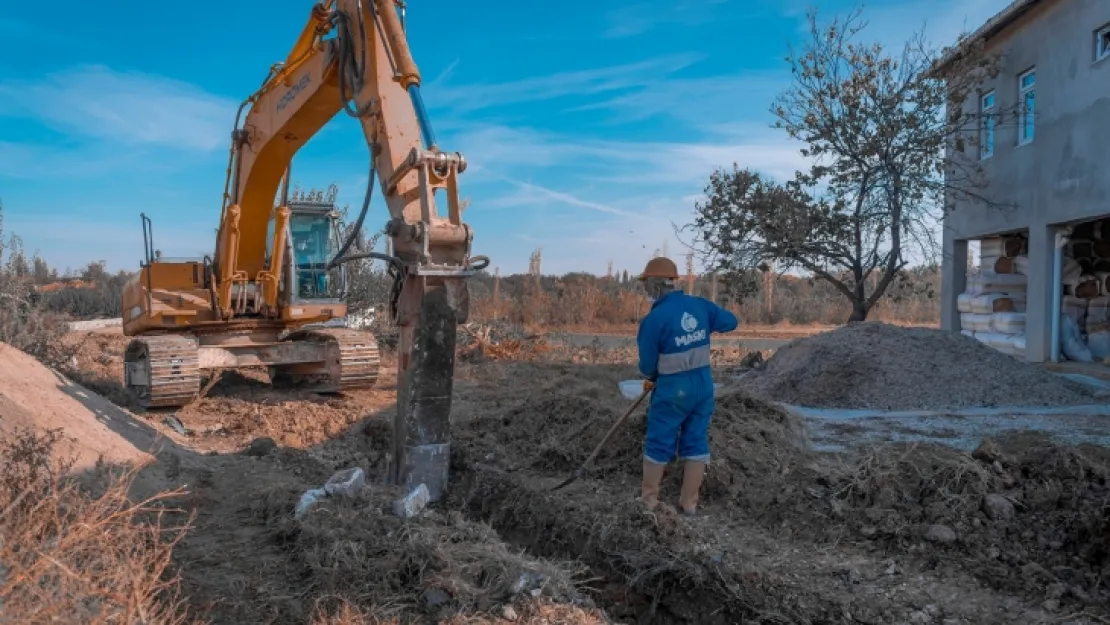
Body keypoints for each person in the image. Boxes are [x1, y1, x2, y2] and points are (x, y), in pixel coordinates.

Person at [635, 256, 738, 516]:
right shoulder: (699, 306)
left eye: (646, 284)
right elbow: (731, 322)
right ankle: (689, 504)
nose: (645, 290)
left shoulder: (654, 319)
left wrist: (655, 374)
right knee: (695, 442)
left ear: (654, 285)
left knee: (659, 443)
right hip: (703, 388)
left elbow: (647, 367)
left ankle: (649, 503)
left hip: (673, 391)